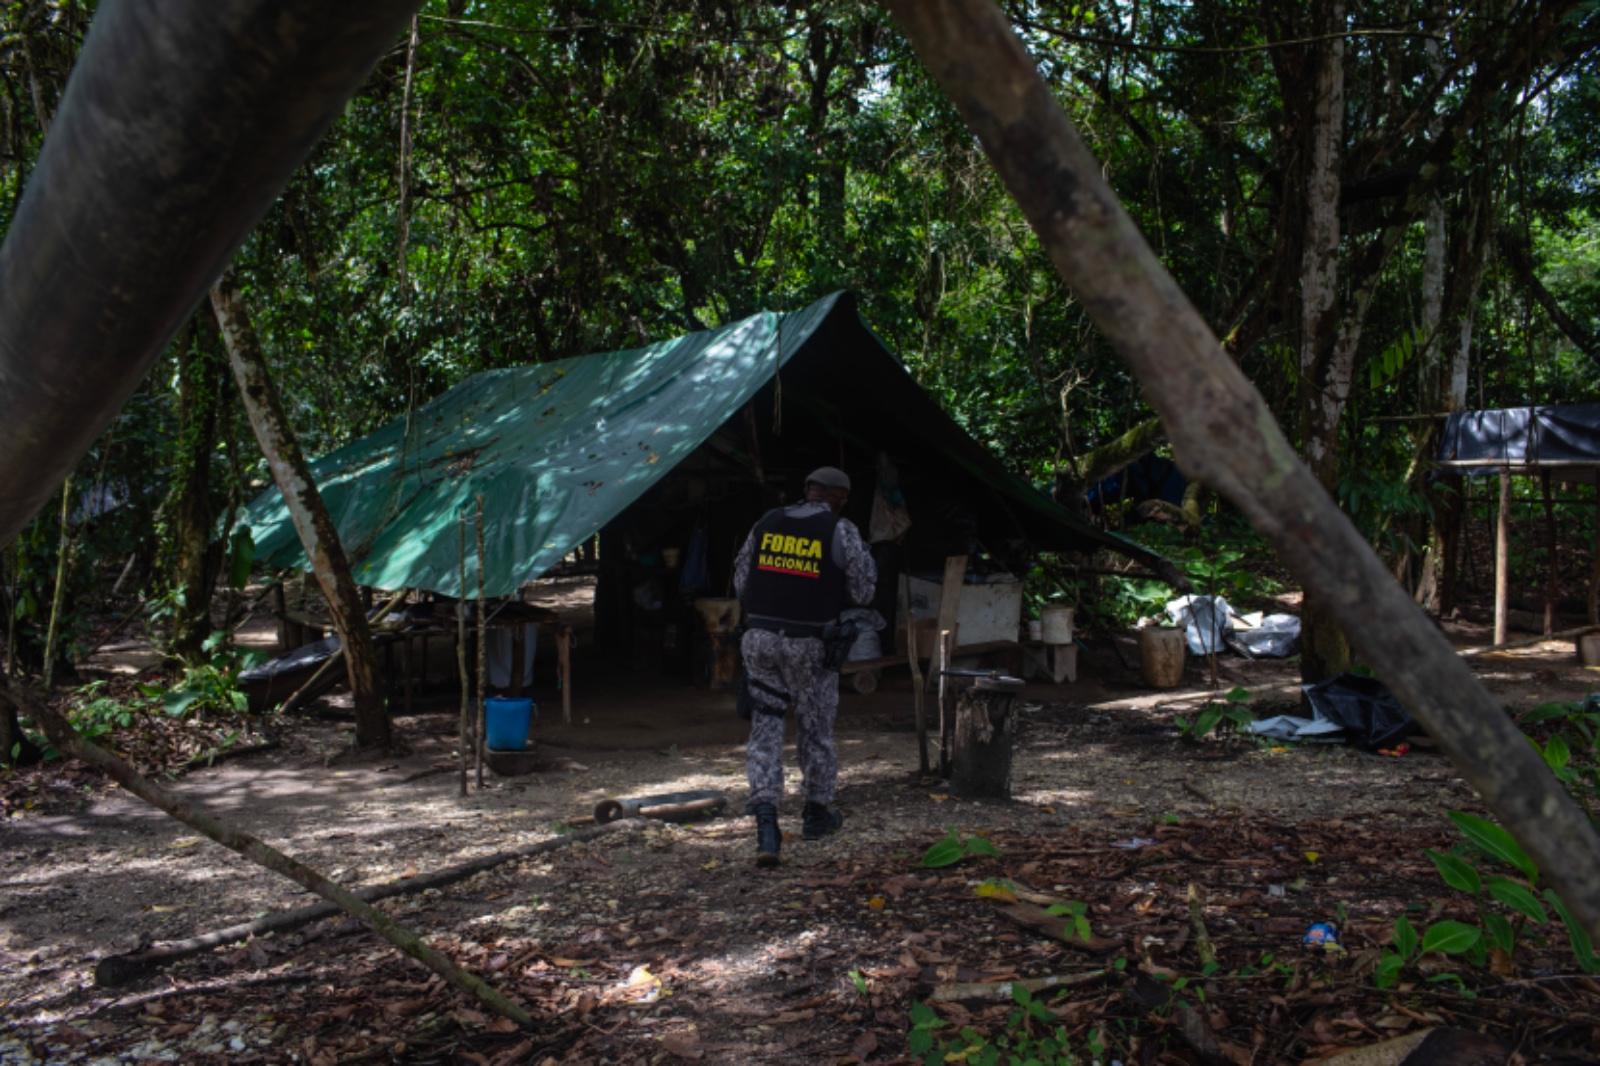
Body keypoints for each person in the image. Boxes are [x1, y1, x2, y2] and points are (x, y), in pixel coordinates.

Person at [733, 466, 877, 866]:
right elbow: (864, 591)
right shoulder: (841, 529)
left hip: (758, 639)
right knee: (815, 727)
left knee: (766, 725)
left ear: (807, 490)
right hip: (809, 644)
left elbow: (741, 583)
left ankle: (766, 822)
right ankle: (816, 813)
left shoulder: (767, 522)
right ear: (840, 497)